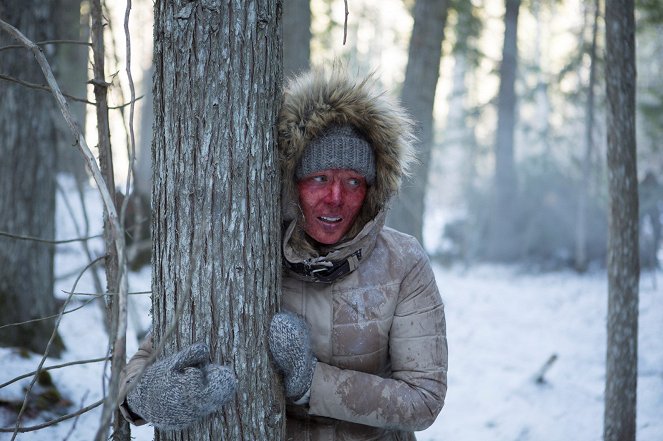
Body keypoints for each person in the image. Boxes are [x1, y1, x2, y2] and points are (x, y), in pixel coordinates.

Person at [118, 65, 448, 440]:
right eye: (319, 178)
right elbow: (149, 355)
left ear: (372, 190)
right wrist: (142, 398)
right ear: (292, 182)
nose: (335, 198)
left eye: (353, 182)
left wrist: (310, 380)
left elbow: (424, 400)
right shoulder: (245, 249)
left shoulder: (402, 262)